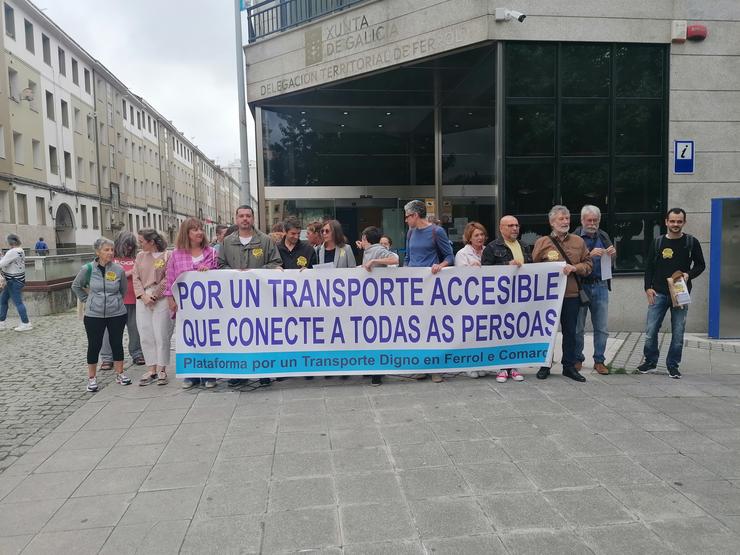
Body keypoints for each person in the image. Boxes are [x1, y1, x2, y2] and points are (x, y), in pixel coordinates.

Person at [638, 207, 705, 379]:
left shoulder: (691, 242)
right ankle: (650, 362)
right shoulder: (658, 242)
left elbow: (700, 265)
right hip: (659, 292)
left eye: (679, 221)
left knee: (678, 332)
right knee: (651, 330)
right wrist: (648, 288)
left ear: (684, 222)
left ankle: (672, 365)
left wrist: (689, 274)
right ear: (666, 222)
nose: (675, 224)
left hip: (681, 294)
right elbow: (649, 267)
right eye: (672, 221)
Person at [220, 205, 282, 386]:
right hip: (236, 299)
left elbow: (276, 263)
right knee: (238, 334)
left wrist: (254, 271)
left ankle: (264, 371)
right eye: (241, 216)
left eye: (248, 216)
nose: (245, 219)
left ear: (253, 219)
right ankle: (239, 374)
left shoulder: (265, 240)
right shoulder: (227, 242)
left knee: (261, 334)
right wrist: (234, 274)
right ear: (236, 219)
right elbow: (220, 265)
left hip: (260, 297)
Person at [531, 206, 592, 382]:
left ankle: (569, 366)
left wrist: (575, 268)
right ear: (552, 222)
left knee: (570, 332)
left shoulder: (579, 242)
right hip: (548, 298)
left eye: (567, 218)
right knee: (547, 332)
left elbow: (589, 265)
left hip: (571, 295)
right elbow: (533, 268)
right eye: (561, 219)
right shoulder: (542, 242)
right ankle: (545, 365)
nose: (565, 222)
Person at [71, 237, 132, 392]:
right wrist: (88, 300)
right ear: (98, 251)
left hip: (116, 313)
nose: (110, 253)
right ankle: (92, 378)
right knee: (94, 345)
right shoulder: (88, 269)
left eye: (112, 250)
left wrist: (116, 301)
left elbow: (123, 290)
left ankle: (120, 374)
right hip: (94, 315)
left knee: (116, 343)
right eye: (106, 250)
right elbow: (76, 286)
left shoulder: (118, 270)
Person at [404, 200, 454, 383]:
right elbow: (408, 257)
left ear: (416, 215)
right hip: (415, 286)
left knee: (433, 326)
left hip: (431, 286)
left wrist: (439, 266)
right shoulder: (410, 233)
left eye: (408, 216)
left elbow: (450, 256)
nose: (406, 220)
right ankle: (422, 366)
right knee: (418, 326)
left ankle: (436, 368)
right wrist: (406, 272)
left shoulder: (436, 231)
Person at [166, 218, 219, 389]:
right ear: (186, 233)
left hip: (207, 306)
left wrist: (209, 272)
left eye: (200, 229)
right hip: (185, 307)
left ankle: (209, 374)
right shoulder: (176, 255)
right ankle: (192, 374)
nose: (199, 232)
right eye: (194, 229)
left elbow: (220, 277)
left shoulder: (211, 253)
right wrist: (170, 299)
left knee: (208, 339)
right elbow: (170, 278)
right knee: (189, 339)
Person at [573, 205, 615, 376]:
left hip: (601, 285)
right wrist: (589, 253)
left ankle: (599, 360)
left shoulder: (603, 235)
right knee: (577, 327)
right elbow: (570, 260)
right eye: (589, 220)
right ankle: (577, 359)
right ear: (582, 220)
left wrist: (612, 254)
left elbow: (611, 263)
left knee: (602, 327)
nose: (592, 223)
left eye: (595, 220)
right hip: (580, 286)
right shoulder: (574, 238)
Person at [99, 231, 145, 370]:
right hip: (114, 302)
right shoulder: (109, 259)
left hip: (134, 300)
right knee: (109, 331)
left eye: (131, 245)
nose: (129, 248)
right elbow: (109, 278)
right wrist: (128, 273)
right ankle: (107, 358)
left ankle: (137, 353)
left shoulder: (137, 258)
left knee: (135, 329)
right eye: (127, 245)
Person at [360, 225, 399, 386]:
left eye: (362, 238)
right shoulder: (368, 251)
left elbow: (395, 258)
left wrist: (375, 261)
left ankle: (377, 372)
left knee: (375, 336)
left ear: (366, 239)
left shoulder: (376, 250)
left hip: (378, 300)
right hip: (370, 299)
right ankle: (372, 368)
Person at [133, 229, 173, 386]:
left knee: (161, 333)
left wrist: (155, 295)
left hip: (160, 298)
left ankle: (162, 368)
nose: (140, 244)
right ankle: (151, 368)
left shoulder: (167, 255)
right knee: (146, 332)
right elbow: (135, 277)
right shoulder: (140, 256)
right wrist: (143, 296)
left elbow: (169, 276)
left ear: (151, 242)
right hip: (143, 297)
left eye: (142, 241)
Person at [454, 222, 489, 379]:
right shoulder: (462, 254)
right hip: (469, 299)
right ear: (469, 237)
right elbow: (460, 277)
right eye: (476, 235)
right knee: (470, 332)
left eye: (482, 234)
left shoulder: (488, 251)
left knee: (483, 332)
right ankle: (470, 364)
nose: (480, 238)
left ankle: (482, 363)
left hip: (487, 298)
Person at [0, 234, 33, 332]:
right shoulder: (21, 250)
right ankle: (1, 322)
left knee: (18, 302)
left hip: (13, 280)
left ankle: (26, 323)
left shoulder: (12, 252)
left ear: (10, 242)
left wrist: (1, 257)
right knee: (3, 300)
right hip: (17, 280)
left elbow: (2, 264)